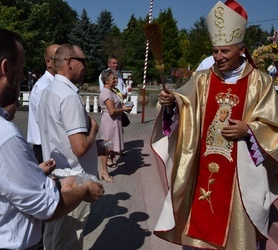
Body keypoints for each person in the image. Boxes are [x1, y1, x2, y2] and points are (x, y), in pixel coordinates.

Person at [0, 28, 104, 250]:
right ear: (5, 68)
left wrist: (35, 174)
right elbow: (47, 208)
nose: (23, 76)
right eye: (21, 67)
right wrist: (84, 191)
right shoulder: (1, 135)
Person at [151, 1, 278, 249]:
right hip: (203, 171)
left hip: (242, 175)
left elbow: (272, 124)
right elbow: (184, 104)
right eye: (215, 51)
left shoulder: (260, 82)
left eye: (225, 52)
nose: (218, 57)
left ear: (241, 50)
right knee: (200, 227)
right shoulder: (202, 79)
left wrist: (248, 129)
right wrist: (170, 103)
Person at [38, 43, 100, 249]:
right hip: (74, 179)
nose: (86, 67)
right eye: (82, 62)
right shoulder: (69, 96)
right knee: (68, 241)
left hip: (56, 175)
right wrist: (93, 129)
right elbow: (80, 147)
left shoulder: (48, 91)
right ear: (68, 62)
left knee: (52, 238)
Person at [27, 44, 60, 163]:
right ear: (49, 62)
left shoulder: (53, 84)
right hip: (45, 148)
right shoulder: (44, 87)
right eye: (59, 59)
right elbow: (46, 121)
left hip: (51, 146)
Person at [98, 69, 132, 182]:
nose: (116, 80)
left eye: (116, 78)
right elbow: (112, 111)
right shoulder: (106, 93)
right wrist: (123, 109)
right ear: (106, 80)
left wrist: (126, 106)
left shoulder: (112, 91)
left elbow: (120, 104)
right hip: (109, 122)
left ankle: (104, 170)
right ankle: (103, 171)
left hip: (115, 122)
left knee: (110, 147)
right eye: (114, 78)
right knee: (106, 147)